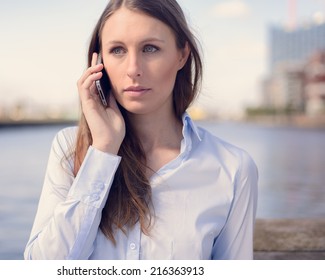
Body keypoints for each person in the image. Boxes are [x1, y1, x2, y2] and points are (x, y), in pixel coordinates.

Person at [24, 0, 258, 260]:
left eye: (150, 48)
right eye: (117, 50)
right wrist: (103, 152)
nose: (133, 69)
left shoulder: (233, 169)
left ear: (182, 55)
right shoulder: (69, 149)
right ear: (98, 62)